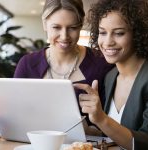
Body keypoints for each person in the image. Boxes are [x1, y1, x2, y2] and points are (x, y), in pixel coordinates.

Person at [14, 0, 113, 135]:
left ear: (81, 25)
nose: (64, 36)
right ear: (45, 24)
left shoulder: (102, 63)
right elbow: (16, 117)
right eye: (56, 27)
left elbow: (115, 125)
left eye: (72, 27)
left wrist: (91, 129)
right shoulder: (27, 64)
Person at [74, 0, 148, 149]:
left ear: (138, 34)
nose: (107, 42)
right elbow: (114, 135)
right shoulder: (110, 77)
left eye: (119, 33)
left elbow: (146, 143)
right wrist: (87, 130)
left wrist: (101, 119)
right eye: (102, 32)